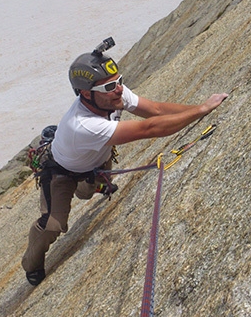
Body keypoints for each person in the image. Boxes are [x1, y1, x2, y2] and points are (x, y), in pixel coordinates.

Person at [21, 38, 228, 285]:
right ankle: (31, 265)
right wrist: (201, 111)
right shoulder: (83, 125)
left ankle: (93, 185)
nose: (119, 89)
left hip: (94, 159)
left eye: (118, 82)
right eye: (109, 87)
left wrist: (201, 107)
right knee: (52, 225)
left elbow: (157, 110)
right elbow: (149, 128)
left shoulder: (110, 94)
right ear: (86, 94)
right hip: (61, 172)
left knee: (88, 191)